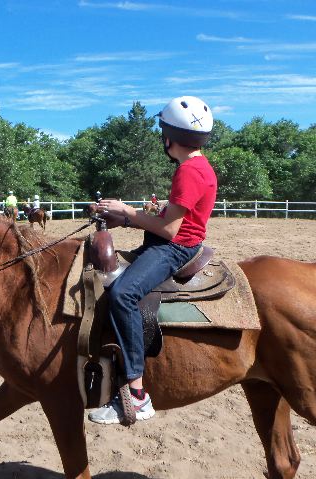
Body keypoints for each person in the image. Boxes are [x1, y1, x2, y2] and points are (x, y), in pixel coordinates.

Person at [88, 95, 217, 424]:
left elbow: (171, 230)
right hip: (173, 240)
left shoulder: (189, 171)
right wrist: (124, 219)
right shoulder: (199, 166)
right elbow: (170, 218)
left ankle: (136, 394)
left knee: (123, 294)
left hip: (174, 248)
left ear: (169, 137)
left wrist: (127, 211)